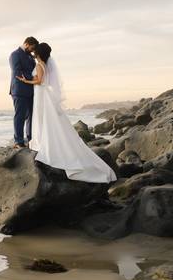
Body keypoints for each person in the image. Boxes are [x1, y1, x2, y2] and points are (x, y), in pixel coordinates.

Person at [16, 42, 116, 183]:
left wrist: (25, 80)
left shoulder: (39, 65)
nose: (33, 53)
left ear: (38, 53)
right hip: (43, 94)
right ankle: (42, 140)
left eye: (35, 52)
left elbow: (39, 81)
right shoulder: (44, 64)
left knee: (42, 118)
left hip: (41, 94)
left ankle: (43, 142)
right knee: (44, 119)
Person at [8, 37, 39, 149]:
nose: (32, 50)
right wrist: (34, 77)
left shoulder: (30, 56)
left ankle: (30, 139)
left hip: (32, 89)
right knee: (20, 116)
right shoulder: (14, 55)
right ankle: (19, 141)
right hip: (19, 89)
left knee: (31, 116)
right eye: (32, 48)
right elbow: (17, 71)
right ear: (26, 44)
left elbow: (34, 68)